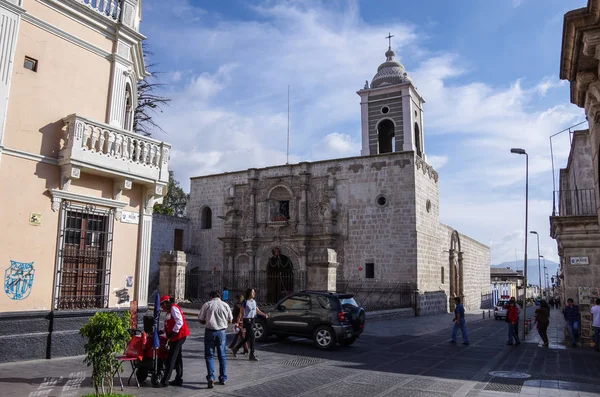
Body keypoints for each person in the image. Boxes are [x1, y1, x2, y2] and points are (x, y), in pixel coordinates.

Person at [198, 290, 233, 388]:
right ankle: (222, 378)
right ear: (220, 297)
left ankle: (211, 377)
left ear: (211, 297)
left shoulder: (207, 305)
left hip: (209, 331)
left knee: (209, 355)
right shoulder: (225, 305)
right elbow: (230, 320)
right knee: (222, 356)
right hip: (221, 332)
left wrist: (206, 323)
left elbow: (200, 318)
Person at [160, 295, 190, 387]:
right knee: (177, 358)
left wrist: (173, 332)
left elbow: (179, 321)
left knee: (172, 358)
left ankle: (165, 380)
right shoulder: (170, 310)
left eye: (162, 305)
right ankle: (178, 379)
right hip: (176, 336)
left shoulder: (173, 308)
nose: (162, 308)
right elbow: (168, 324)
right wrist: (161, 331)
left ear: (165, 303)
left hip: (179, 335)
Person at [232, 288, 269, 361]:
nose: (254, 293)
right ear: (249, 293)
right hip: (247, 320)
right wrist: (237, 322)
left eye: (254, 292)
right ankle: (252, 354)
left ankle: (236, 348)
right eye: (253, 292)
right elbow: (241, 313)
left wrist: (264, 315)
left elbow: (257, 311)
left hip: (252, 320)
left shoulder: (254, 301)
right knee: (252, 336)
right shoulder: (245, 302)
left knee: (247, 337)